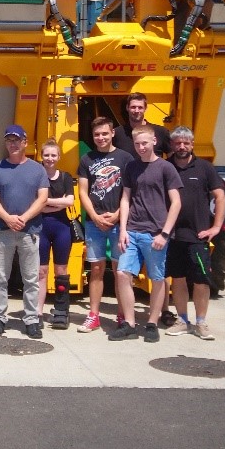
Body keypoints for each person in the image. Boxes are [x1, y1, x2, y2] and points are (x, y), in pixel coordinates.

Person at [110, 126, 183, 342]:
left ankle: (151, 322)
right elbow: (125, 199)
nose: (141, 147)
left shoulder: (166, 168)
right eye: (137, 144)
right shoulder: (131, 167)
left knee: (157, 278)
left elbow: (176, 203)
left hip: (155, 233)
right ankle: (130, 323)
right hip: (132, 230)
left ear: (153, 141)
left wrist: (164, 233)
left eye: (145, 143)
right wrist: (123, 230)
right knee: (123, 274)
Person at [0, 124, 49, 339]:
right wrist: (7, 218)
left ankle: (31, 319)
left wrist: (24, 218)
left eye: (17, 140)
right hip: (3, 230)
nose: (13, 143)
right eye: (9, 140)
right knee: (0, 278)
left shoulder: (37, 169)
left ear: (25, 142)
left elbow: (43, 198)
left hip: (30, 231)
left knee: (30, 278)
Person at [166, 127, 225, 340]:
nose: (182, 146)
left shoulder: (205, 168)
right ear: (172, 145)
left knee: (201, 280)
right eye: (178, 143)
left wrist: (216, 227)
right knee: (178, 279)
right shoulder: (166, 166)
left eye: (186, 143)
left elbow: (220, 197)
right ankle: (182, 320)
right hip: (172, 237)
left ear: (192, 144)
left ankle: (201, 322)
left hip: (197, 236)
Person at [76, 116, 134, 334]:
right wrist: (95, 216)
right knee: (96, 269)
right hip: (94, 224)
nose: (100, 138)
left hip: (120, 224)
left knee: (120, 271)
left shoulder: (125, 158)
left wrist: (118, 215)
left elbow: (130, 191)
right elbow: (83, 191)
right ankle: (93, 316)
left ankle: (122, 315)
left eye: (104, 133)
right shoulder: (86, 159)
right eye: (96, 134)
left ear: (112, 134)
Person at [37, 138, 76, 329]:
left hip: (61, 228)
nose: (50, 158)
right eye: (46, 155)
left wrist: (46, 203)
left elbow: (70, 201)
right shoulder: (37, 176)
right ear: (41, 156)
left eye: (53, 155)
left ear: (59, 157)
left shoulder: (66, 177)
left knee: (61, 271)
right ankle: (37, 312)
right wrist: (57, 202)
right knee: (40, 272)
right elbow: (35, 205)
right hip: (41, 228)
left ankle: (61, 310)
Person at [112, 92, 171, 156]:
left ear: (145, 108)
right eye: (133, 107)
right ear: (127, 108)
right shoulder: (117, 134)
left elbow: (173, 157)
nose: (136, 111)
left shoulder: (161, 132)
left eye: (140, 107)